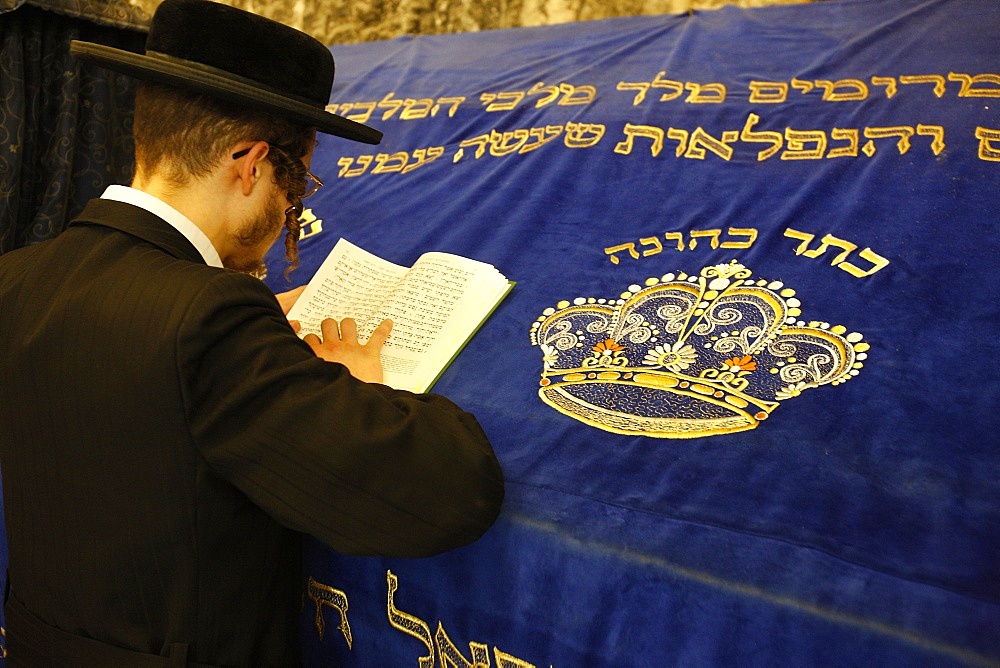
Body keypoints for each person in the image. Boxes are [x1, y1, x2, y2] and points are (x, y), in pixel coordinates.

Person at [0, 0, 504, 665]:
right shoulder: (212, 318)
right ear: (250, 165)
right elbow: (454, 493)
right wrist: (359, 388)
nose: (288, 213)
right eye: (296, 188)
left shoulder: (18, 276)